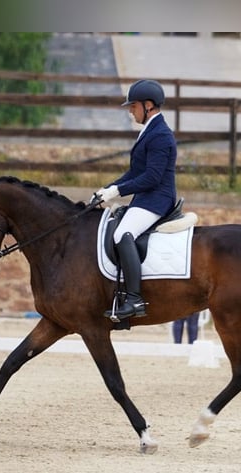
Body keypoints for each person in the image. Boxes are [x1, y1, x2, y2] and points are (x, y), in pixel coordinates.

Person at [94, 79, 177, 320]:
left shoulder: (161, 135)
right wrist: (107, 189)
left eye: (134, 106)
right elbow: (135, 173)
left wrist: (117, 192)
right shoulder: (150, 131)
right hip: (146, 197)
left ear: (148, 105)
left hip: (157, 200)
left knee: (122, 234)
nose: (131, 110)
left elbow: (151, 177)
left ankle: (134, 299)